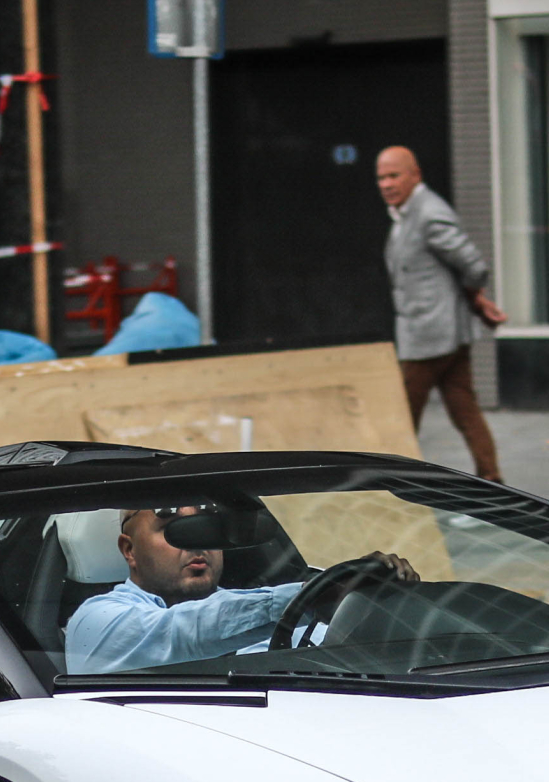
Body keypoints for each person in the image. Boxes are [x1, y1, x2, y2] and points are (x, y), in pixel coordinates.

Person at [65, 504, 416, 676]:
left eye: (208, 525)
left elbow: (346, 653)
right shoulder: (95, 621)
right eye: (174, 528)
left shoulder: (274, 614)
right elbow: (183, 631)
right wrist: (317, 596)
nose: (199, 541)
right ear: (129, 550)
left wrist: (380, 606)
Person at [377, 146, 508, 483]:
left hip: (429, 337)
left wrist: (475, 295)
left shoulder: (428, 213)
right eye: (380, 177)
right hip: (443, 334)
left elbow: (473, 265)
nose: (386, 184)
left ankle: (392, 487)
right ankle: (493, 482)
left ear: (415, 174)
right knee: (465, 412)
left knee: (402, 421)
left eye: (393, 175)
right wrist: (473, 302)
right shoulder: (408, 213)